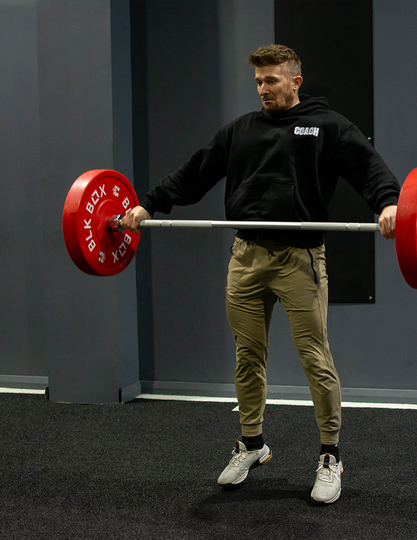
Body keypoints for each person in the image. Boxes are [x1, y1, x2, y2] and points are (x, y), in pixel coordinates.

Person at [121, 44, 400, 504]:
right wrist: (148, 204)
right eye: (257, 81)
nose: (262, 89)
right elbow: (195, 172)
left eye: (271, 80)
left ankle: (331, 456)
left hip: (300, 260)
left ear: (295, 81)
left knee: (315, 358)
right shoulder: (242, 130)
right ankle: (252, 444)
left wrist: (388, 203)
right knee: (247, 355)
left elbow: (369, 167)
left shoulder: (327, 126)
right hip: (246, 257)